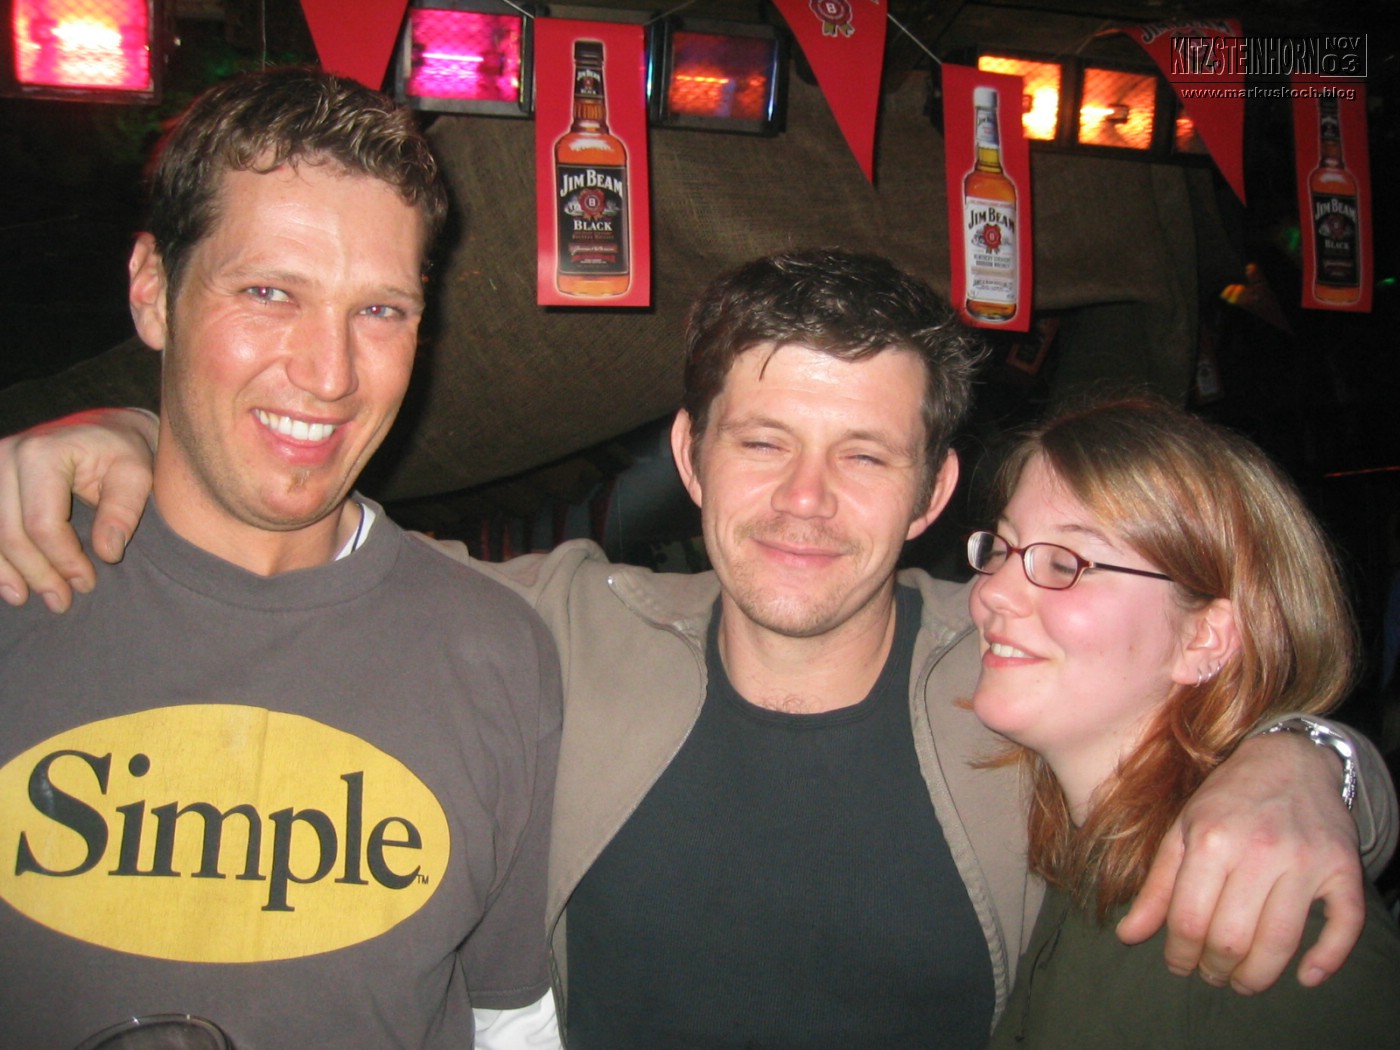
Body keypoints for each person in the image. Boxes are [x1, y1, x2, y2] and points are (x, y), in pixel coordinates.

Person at [0, 250, 1394, 1045]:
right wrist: (140, 437)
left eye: (863, 456)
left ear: (930, 493)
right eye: (762, 442)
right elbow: (311, 540)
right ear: (688, 455)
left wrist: (1310, 759)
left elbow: (1175, 704)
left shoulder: (1009, 670)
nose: (804, 502)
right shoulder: (554, 625)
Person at [0, 68, 562, 1050]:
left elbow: (511, 1023)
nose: (329, 374)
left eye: (379, 310)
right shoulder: (19, 577)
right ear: (152, 292)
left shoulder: (497, 653)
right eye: (269, 293)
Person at [967, 397, 1400, 1046]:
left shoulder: (1272, 928)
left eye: (1064, 563)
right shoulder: (1094, 851)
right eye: (1002, 548)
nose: (992, 591)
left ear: (1204, 639)